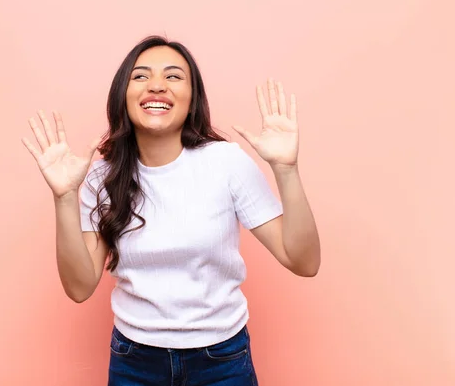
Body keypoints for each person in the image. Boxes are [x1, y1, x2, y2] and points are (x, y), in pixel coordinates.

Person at [22, 35, 321, 386]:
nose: (157, 86)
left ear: (192, 98)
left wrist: (286, 169)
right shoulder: (103, 175)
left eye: (174, 76)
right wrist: (64, 197)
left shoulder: (225, 162)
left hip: (221, 359)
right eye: (141, 76)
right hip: (134, 360)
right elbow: (79, 287)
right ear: (123, 95)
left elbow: (304, 262)